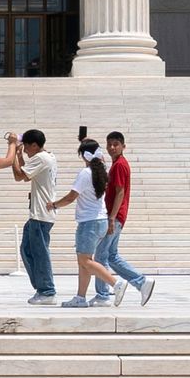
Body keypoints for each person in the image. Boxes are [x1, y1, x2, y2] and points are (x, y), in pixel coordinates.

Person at [91, 126, 157, 305]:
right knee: (111, 256)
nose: (112, 147)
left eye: (116, 144)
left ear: (123, 146)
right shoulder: (118, 164)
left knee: (100, 257)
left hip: (115, 216)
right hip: (117, 215)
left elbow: (120, 192)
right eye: (110, 144)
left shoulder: (119, 165)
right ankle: (142, 283)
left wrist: (111, 218)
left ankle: (103, 295)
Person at [64, 129, 124, 307]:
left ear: (83, 156)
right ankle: (80, 297)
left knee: (85, 261)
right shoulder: (101, 170)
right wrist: (86, 143)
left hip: (88, 223)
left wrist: (54, 204)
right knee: (84, 262)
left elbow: (71, 196)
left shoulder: (85, 173)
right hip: (100, 221)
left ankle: (116, 283)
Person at [7, 128, 65, 304]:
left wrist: (13, 152)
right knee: (27, 249)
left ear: (34, 145)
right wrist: (19, 155)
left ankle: (47, 291)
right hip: (39, 213)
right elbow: (27, 175)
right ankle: (42, 288)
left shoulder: (41, 158)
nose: (24, 150)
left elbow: (19, 176)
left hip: (40, 214)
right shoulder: (48, 156)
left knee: (40, 253)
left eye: (25, 146)